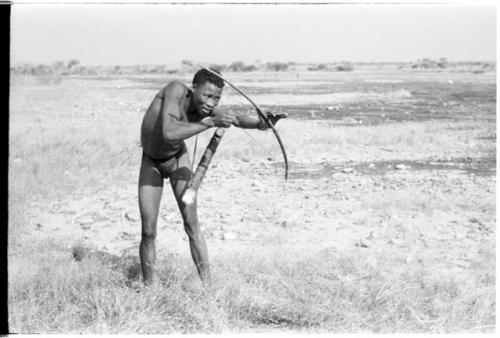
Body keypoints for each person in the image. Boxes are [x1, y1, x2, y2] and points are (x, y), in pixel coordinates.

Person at [139, 68, 285, 286]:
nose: (210, 103)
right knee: (148, 230)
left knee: (192, 224)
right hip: (151, 161)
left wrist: (261, 124)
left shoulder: (209, 110)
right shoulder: (176, 90)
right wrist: (207, 123)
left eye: (216, 98)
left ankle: (208, 287)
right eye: (207, 95)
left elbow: (234, 119)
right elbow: (168, 132)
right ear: (194, 88)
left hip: (177, 158)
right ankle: (149, 287)